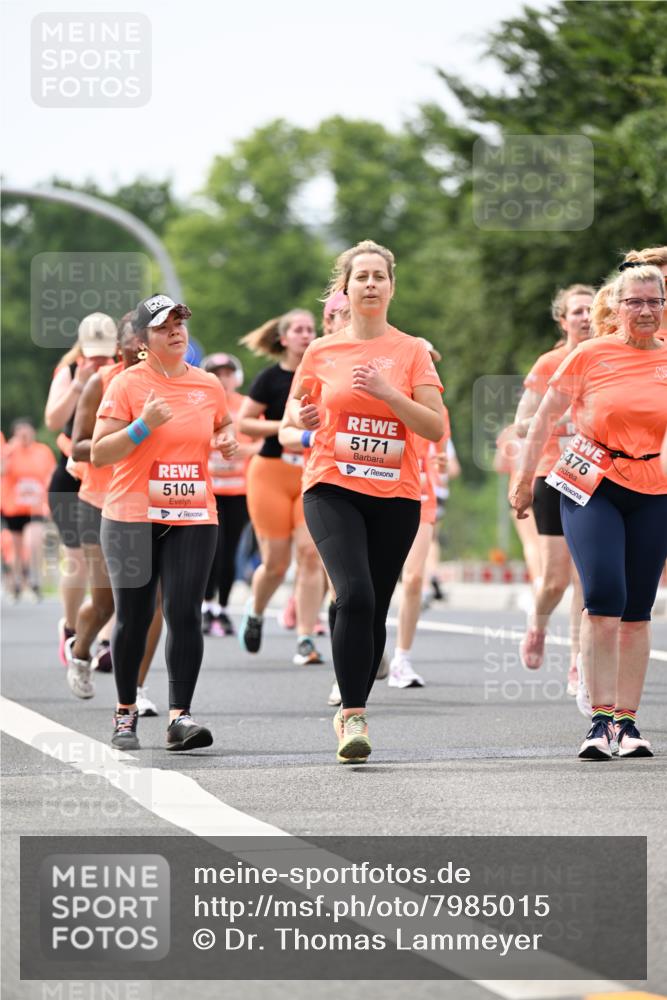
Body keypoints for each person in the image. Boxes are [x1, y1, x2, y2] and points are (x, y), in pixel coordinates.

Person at [290, 239, 444, 763]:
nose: (372, 284)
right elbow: (297, 413)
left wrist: (387, 393)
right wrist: (303, 422)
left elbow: (434, 425)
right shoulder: (322, 350)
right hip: (331, 485)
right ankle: (353, 713)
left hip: (396, 494)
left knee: (372, 604)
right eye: (362, 277)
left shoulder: (412, 351)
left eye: (380, 276)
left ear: (392, 287)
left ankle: (353, 686)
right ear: (346, 289)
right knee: (353, 594)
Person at [510, 264, 667, 759]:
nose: (645, 311)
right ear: (616, 309)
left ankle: (628, 722)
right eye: (635, 302)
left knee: (638, 611)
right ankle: (599, 721)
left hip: (652, 488)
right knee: (603, 594)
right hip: (590, 484)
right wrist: (522, 481)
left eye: (654, 302)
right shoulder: (590, 354)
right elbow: (540, 420)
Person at [91, 293, 237, 751]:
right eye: (163, 325)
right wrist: (142, 425)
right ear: (142, 340)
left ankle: (180, 718)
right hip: (131, 514)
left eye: (180, 322)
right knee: (134, 618)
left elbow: (221, 425)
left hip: (194, 512)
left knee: (183, 612)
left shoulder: (208, 384)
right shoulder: (126, 385)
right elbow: (99, 452)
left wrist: (227, 440)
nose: (175, 330)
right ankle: (125, 713)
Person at [67, 312, 162, 712]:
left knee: (153, 602)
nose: (142, 347)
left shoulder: (170, 383)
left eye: (149, 337)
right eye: (136, 339)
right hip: (100, 501)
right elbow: (77, 447)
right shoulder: (100, 382)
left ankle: (137, 689)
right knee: (105, 602)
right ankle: (81, 649)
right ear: (122, 345)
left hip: (152, 502)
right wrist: (129, 434)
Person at [513, 285, 594, 696]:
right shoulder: (549, 364)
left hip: (592, 476)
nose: (585, 317)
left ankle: (578, 663)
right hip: (551, 475)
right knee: (555, 579)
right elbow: (522, 423)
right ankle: (538, 624)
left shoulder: (606, 358)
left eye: (591, 310)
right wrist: (550, 418)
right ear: (563, 320)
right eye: (577, 311)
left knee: (585, 576)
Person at [237, 309, 325, 665]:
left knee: (309, 554)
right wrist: (285, 428)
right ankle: (256, 611)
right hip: (270, 472)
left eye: (310, 329)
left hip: (310, 472)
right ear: (284, 338)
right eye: (299, 330)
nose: (306, 335)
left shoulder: (323, 374)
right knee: (275, 563)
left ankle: (305, 637)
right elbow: (242, 422)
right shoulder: (270, 378)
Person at [45, 314, 117, 663]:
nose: (101, 359)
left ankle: (104, 641)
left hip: (107, 477)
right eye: (95, 353)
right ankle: (71, 628)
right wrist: (79, 385)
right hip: (70, 477)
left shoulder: (122, 371)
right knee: (75, 560)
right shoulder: (70, 371)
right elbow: (53, 421)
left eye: (107, 353)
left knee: (115, 563)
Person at [388, 341, 450, 688]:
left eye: (432, 362)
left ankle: (401, 659)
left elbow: (440, 447)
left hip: (420, 494)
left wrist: (440, 460)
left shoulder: (438, 407)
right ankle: (362, 649)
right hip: (382, 490)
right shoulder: (388, 397)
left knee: (413, 579)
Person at [200, 352, 259, 636]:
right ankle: (206, 605)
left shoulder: (246, 405)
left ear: (236, 377)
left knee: (231, 550)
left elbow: (263, 444)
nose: (222, 379)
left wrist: (240, 450)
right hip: (207, 489)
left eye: (226, 373)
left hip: (239, 490)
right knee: (211, 549)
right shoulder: (200, 403)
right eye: (215, 373)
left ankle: (222, 608)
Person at [1, 418, 55, 601]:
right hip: (13, 507)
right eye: (20, 433)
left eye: (27, 432)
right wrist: (8, 451)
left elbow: (52, 475)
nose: (24, 436)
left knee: (34, 541)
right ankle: (16, 582)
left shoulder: (43, 452)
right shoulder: (10, 452)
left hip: (36, 507)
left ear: (33, 432)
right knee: (16, 548)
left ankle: (35, 580)